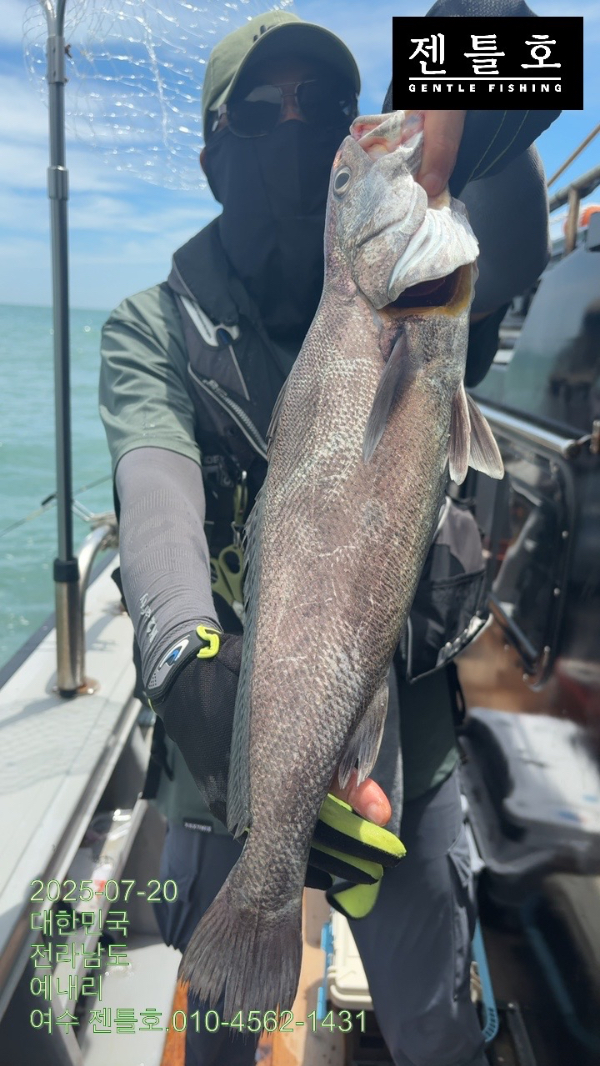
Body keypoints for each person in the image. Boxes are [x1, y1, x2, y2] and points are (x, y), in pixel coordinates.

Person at [99, 8, 560, 1065]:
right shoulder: (151, 328)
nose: (301, 129)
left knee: (434, 1026)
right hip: (223, 745)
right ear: (212, 154)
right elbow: (155, 493)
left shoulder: (422, 275)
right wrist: (185, 666)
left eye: (329, 108)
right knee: (219, 1026)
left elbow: (531, 102)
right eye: (266, 110)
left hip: (410, 743)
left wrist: (456, 55)